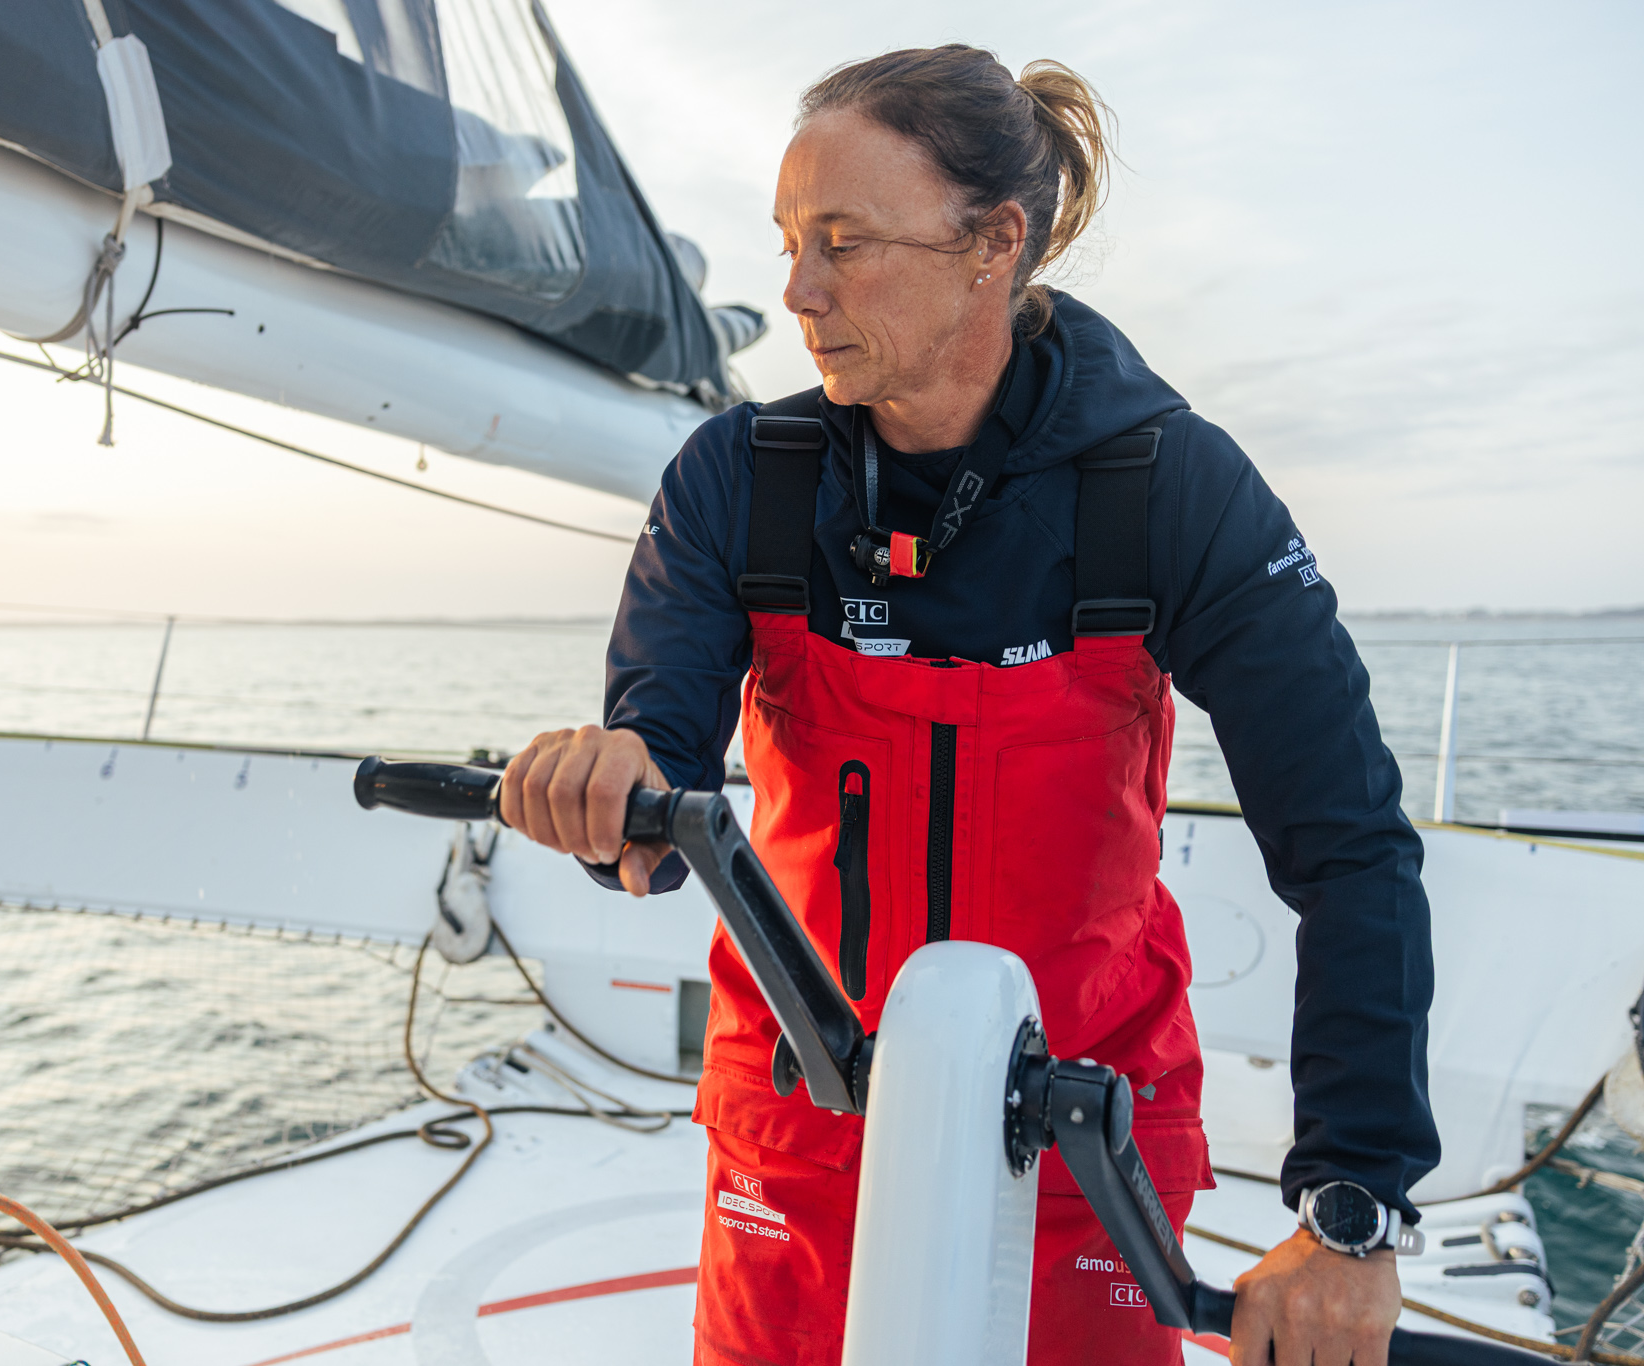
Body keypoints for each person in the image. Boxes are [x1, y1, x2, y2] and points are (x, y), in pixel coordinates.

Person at [499, 45, 1436, 1366]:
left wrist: (1352, 1207)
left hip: (1079, 1140)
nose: (798, 290)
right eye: (790, 243)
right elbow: (658, 782)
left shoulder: (1170, 490)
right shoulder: (738, 482)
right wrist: (611, 793)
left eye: (844, 243)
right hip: (799, 1131)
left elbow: (1351, 848)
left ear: (993, 243)